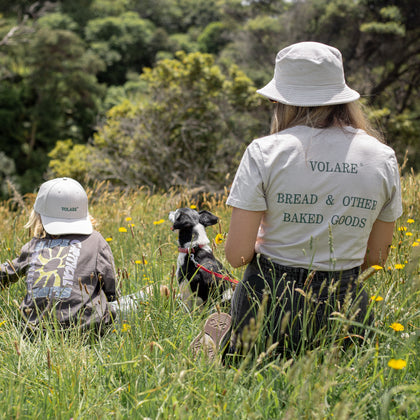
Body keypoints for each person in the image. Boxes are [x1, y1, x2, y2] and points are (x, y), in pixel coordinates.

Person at [192, 42, 402, 360]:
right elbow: (376, 258)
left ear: (280, 99)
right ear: (343, 96)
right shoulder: (382, 157)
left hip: (268, 306)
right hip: (344, 313)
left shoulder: (264, 152)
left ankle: (225, 344)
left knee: (235, 340)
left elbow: (236, 256)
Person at [0, 177, 161, 334]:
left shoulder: (33, 246)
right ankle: (158, 294)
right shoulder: (95, 240)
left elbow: (5, 274)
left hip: (33, 331)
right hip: (88, 328)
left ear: (39, 215)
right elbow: (110, 287)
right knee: (146, 296)